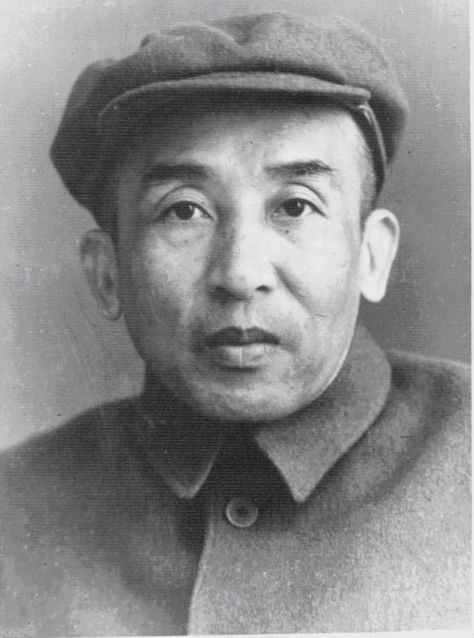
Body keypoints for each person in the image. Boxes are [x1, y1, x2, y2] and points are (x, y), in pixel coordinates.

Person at [0, 10, 470, 637]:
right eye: (184, 211)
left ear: (372, 255)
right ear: (107, 274)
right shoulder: (16, 509)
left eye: (296, 205)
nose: (241, 273)